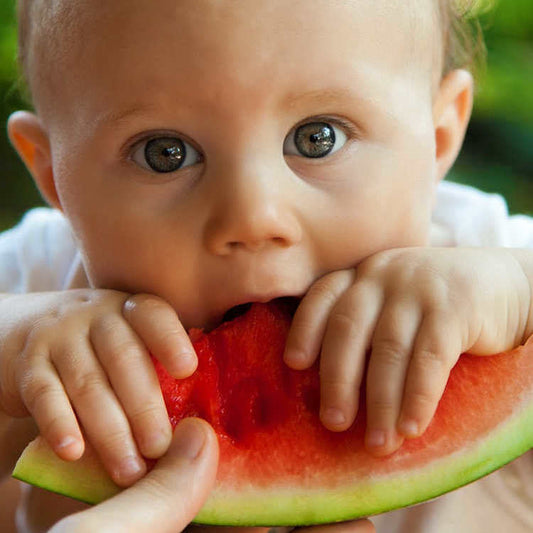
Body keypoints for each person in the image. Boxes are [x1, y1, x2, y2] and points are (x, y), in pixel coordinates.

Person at [0, 0, 531, 531]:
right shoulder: (45, 287)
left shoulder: (481, 257)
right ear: (53, 178)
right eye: (165, 152)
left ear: (437, 138)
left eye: (317, 138)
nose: (253, 217)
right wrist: (13, 347)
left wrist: (519, 289)